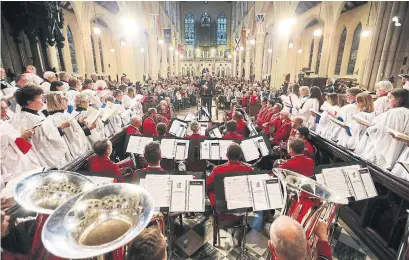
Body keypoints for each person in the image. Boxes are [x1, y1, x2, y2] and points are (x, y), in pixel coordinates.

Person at [10, 85, 71, 168]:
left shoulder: (15, 118)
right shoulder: (37, 120)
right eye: (39, 98)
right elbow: (49, 141)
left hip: (28, 163)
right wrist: (59, 128)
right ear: (29, 101)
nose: (43, 101)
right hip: (44, 160)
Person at [355, 88, 409, 169]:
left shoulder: (394, 113)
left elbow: (383, 132)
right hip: (398, 154)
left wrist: (370, 128)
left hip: (383, 151)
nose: (388, 101)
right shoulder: (406, 112)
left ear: (399, 100)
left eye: (390, 98)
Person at [1, 101, 41, 183]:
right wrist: (22, 137)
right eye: (0, 109)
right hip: (15, 169)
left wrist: (23, 137)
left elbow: (16, 142)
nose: (4, 111)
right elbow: (2, 155)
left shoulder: (4, 124)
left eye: (5, 108)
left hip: (23, 162)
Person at [46, 92, 92, 159]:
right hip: (73, 154)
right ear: (57, 102)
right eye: (63, 99)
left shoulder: (49, 118)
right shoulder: (63, 117)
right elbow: (73, 138)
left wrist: (79, 123)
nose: (66, 100)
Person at [206, 143, 253, 207]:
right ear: (240, 156)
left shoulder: (217, 170)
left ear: (226, 155)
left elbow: (208, 185)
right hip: (244, 205)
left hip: (222, 206)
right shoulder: (249, 170)